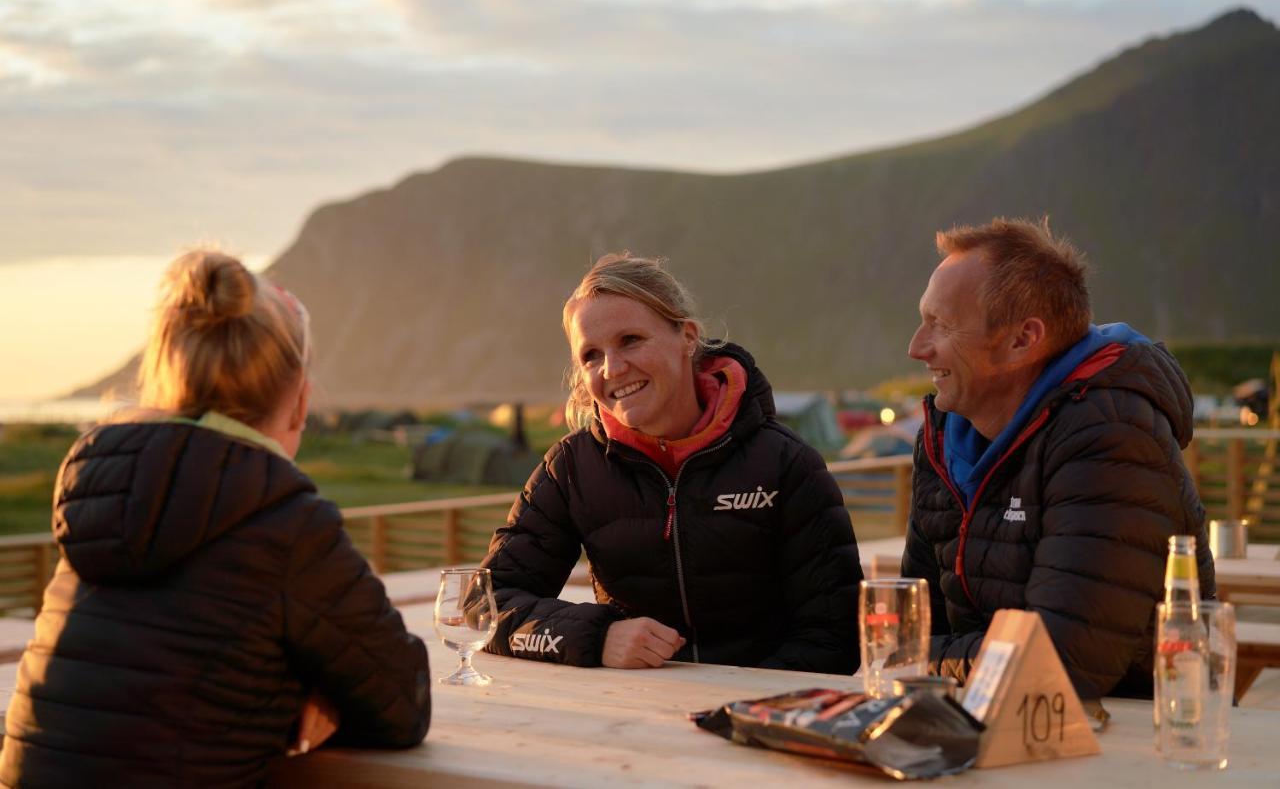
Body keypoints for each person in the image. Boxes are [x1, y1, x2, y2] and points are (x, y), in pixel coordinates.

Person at [1, 251, 430, 787]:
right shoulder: (287, 524)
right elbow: (403, 702)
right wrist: (309, 693)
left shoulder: (99, 501)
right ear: (299, 401)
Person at [482, 253, 863, 673]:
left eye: (630, 340)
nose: (612, 368)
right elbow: (487, 606)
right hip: (636, 717)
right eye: (591, 355)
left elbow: (835, 638)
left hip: (762, 718)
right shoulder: (571, 469)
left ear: (687, 337)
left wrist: (738, 709)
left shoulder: (786, 463)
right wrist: (595, 636)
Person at [903, 217, 1215, 700]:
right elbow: (914, 622)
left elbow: (1061, 661)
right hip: (988, 725)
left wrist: (912, 660)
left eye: (940, 324)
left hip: (1134, 747)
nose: (916, 348)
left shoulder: (1110, 435)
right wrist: (910, 656)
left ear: (1023, 340)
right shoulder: (944, 439)